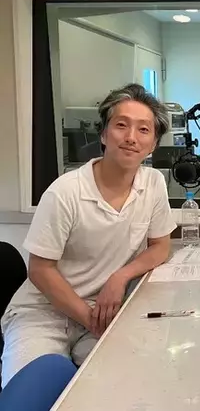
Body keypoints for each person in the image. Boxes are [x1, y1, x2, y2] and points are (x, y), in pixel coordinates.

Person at [0, 84, 177, 387]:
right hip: (43, 314)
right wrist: (89, 318)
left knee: (126, 384)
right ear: (104, 134)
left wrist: (120, 276)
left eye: (143, 130)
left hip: (103, 309)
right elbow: (40, 269)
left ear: (153, 145)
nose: (131, 137)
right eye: (121, 125)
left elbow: (160, 245)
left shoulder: (153, 183)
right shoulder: (65, 192)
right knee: (33, 390)